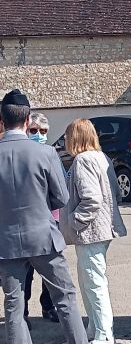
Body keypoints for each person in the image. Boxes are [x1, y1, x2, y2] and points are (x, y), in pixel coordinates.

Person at [0, 89, 118, 344]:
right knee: (64, 299)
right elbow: (61, 197)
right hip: (43, 235)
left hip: (7, 241)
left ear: (2, 120)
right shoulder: (45, 152)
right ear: (28, 120)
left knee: (13, 304)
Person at [60, 118, 127, 344]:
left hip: (90, 232)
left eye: (68, 136)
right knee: (91, 281)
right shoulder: (102, 157)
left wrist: (74, 222)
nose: (66, 140)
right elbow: (116, 193)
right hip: (100, 229)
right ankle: (94, 328)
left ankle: (104, 334)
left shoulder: (83, 160)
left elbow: (92, 199)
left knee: (94, 283)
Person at [24, 112, 59, 327]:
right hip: (28, 221)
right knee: (26, 271)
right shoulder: (22, 154)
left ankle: (48, 306)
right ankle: (23, 310)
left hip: (51, 219)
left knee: (50, 271)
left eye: (43, 131)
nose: (39, 135)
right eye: (34, 131)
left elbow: (60, 188)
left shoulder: (50, 152)